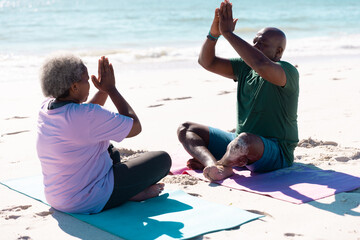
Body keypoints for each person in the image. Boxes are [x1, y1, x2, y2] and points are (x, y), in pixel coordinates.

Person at [177, 0, 299, 182]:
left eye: (262, 44)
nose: (255, 46)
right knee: (186, 129)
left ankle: (223, 164)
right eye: (254, 42)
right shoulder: (245, 68)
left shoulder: (286, 71)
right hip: (238, 143)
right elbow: (207, 62)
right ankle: (213, 164)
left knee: (245, 141)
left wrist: (228, 33)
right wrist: (213, 35)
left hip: (275, 150)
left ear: (279, 51)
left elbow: (261, 65)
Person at [36, 54, 171, 214]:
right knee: (162, 160)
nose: (89, 84)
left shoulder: (46, 107)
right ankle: (130, 194)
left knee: (109, 149)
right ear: (74, 87)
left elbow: (85, 120)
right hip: (86, 200)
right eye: (86, 80)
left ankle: (125, 192)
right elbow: (135, 127)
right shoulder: (87, 116)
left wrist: (102, 91)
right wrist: (111, 89)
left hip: (56, 198)